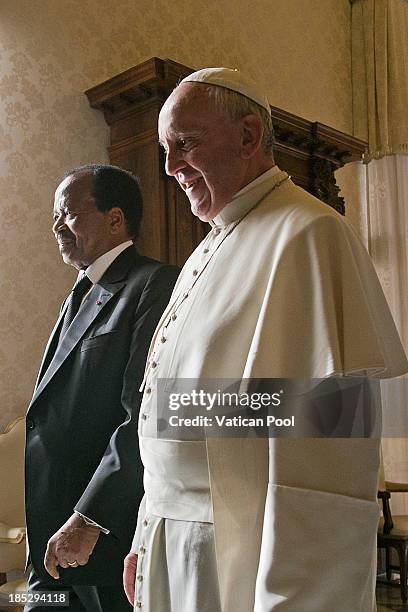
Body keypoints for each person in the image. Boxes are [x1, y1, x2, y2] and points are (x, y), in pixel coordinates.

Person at [123, 69, 408, 611]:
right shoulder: (206, 251)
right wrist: (146, 534)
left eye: (185, 144)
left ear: (249, 136)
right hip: (171, 543)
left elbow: (325, 475)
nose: (170, 168)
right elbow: (167, 419)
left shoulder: (308, 234)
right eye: (165, 150)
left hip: (237, 557)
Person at [24, 164, 179, 612]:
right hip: (49, 531)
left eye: (68, 213)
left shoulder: (152, 283)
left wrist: (90, 517)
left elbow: (143, 417)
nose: (56, 226)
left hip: (101, 536)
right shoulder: (76, 294)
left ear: (115, 219)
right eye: (55, 215)